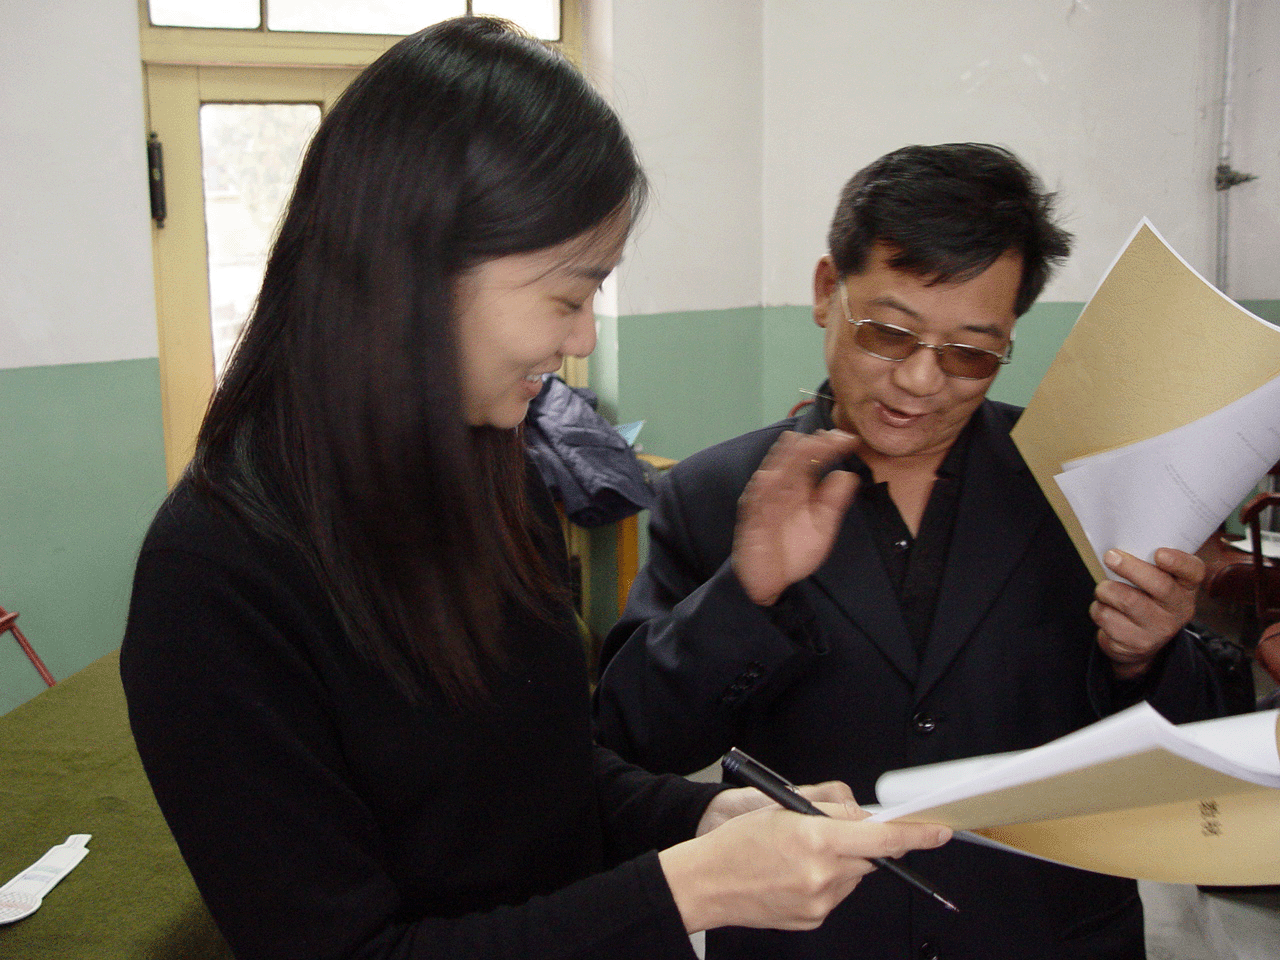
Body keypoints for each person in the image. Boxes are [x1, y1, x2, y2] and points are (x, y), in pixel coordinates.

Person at [118, 19, 951, 960]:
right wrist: (687, 889)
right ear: (417, 272)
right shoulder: (217, 579)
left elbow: (541, 779)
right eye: (567, 296)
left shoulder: (492, 469)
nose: (584, 338)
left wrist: (697, 816)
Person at [594, 143, 1250, 960]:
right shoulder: (715, 493)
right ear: (827, 291)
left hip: (1041, 932)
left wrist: (1145, 657)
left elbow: (1195, 763)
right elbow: (637, 739)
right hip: (818, 937)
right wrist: (742, 594)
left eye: (969, 353)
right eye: (889, 333)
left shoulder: (1080, 483)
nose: (919, 381)